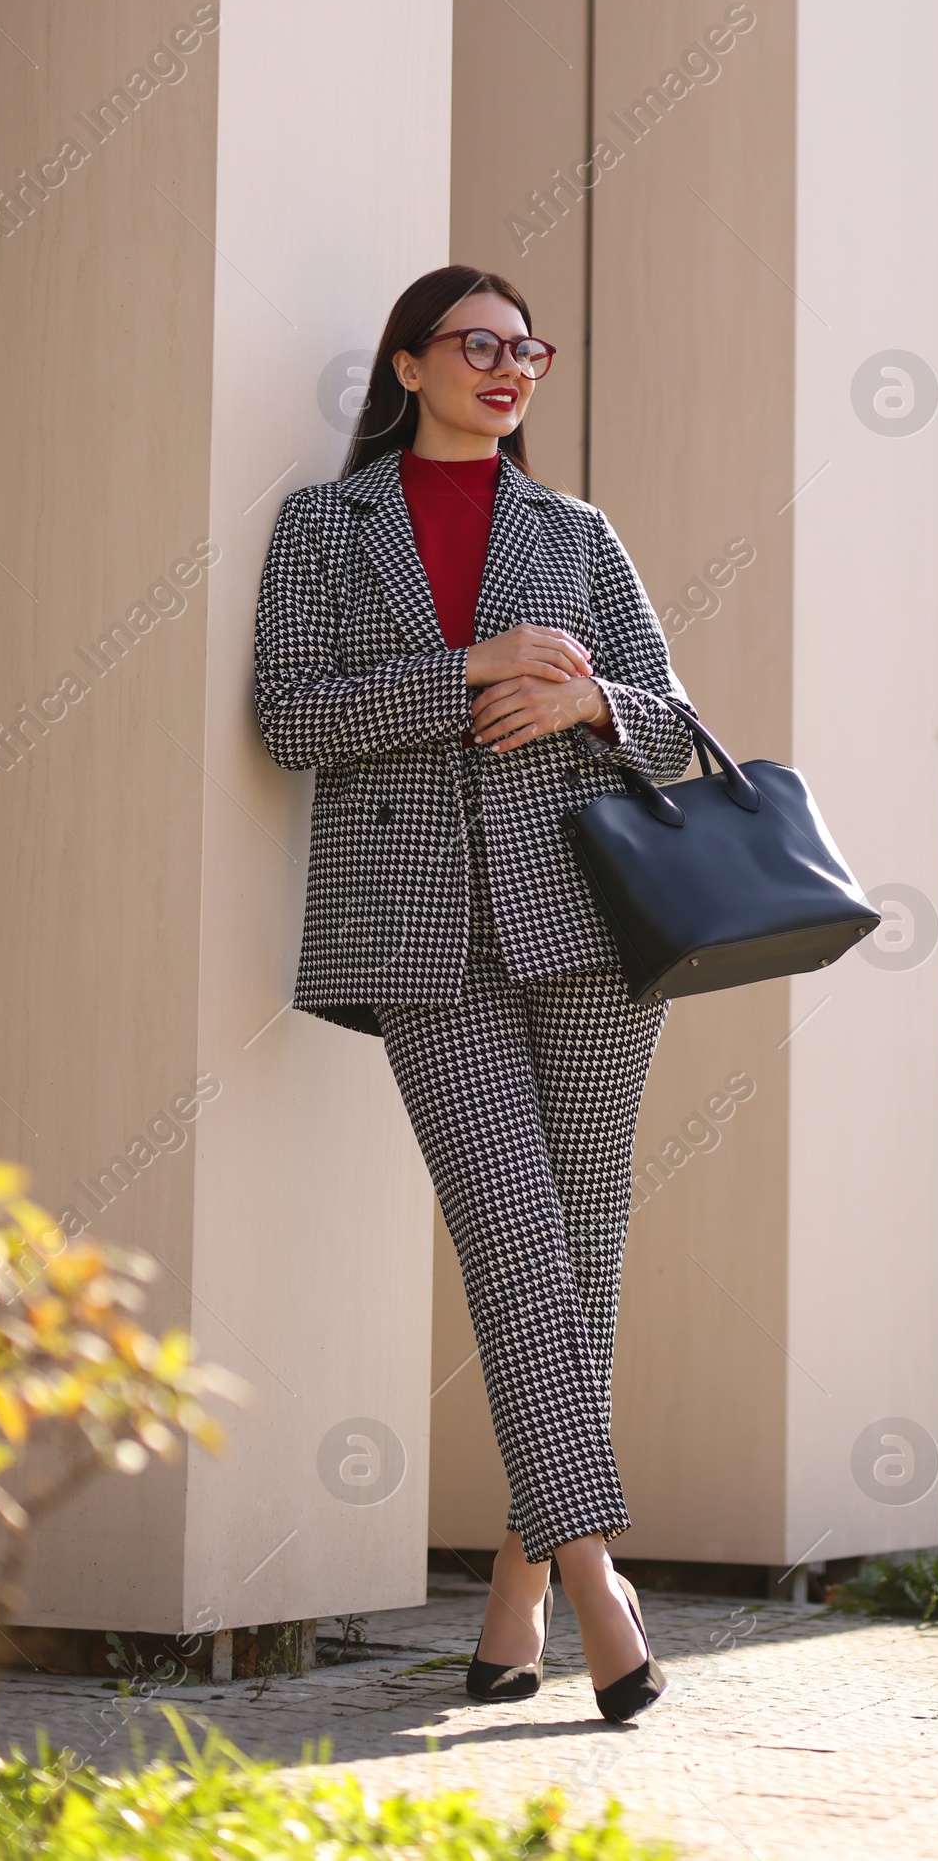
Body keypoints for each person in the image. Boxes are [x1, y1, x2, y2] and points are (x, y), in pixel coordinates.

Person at [254, 265, 693, 1722]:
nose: (511, 370)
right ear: (408, 362)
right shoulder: (327, 524)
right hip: (416, 938)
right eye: (480, 346)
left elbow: (677, 723)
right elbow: (291, 711)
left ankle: (513, 1603)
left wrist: (589, 700)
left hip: (584, 926)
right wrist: (472, 668)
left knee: (579, 1250)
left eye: (529, 351)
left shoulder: (577, 532)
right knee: (513, 1235)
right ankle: (596, 1578)